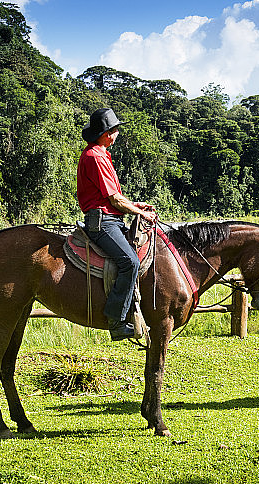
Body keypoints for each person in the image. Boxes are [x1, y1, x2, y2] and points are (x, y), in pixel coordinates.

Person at [77, 108, 157, 340]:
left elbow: (111, 198)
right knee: (130, 262)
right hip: (103, 223)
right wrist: (141, 213)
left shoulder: (100, 154)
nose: (118, 133)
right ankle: (116, 321)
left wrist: (135, 205)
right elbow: (114, 200)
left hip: (110, 218)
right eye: (115, 130)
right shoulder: (96, 157)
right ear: (106, 134)